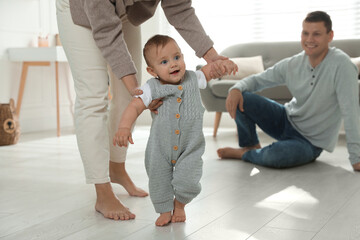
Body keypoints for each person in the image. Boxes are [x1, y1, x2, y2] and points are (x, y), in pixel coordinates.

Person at [56, 0, 229, 221]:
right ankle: (102, 191)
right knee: (93, 97)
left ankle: (117, 168)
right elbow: (106, 31)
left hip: (124, 11)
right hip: (82, 9)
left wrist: (212, 57)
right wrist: (139, 95)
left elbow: (179, 8)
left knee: (127, 93)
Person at [113, 35, 237, 226]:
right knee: (158, 178)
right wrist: (123, 127)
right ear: (151, 70)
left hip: (190, 147)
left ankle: (180, 205)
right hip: (159, 148)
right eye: (164, 61)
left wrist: (224, 65)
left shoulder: (193, 78)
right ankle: (164, 210)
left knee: (189, 178)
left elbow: (212, 69)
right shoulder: (151, 88)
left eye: (177, 57)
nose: (173, 64)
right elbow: (135, 106)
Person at [217, 11, 360, 171]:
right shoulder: (293, 63)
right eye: (305, 33)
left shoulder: (342, 65)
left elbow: (351, 112)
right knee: (241, 96)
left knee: (277, 156)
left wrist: (356, 157)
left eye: (316, 34)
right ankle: (250, 146)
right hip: (285, 119)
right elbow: (258, 80)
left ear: (330, 36)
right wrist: (236, 88)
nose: (309, 39)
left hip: (310, 142)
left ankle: (246, 155)